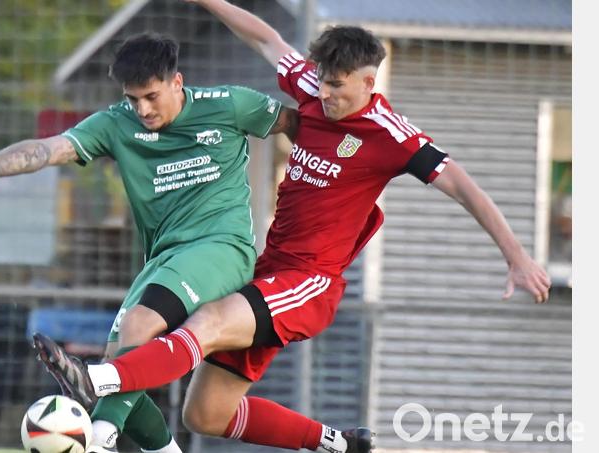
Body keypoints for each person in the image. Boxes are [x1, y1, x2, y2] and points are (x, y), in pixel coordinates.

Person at [36, 1, 555, 453]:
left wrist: (517, 255)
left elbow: (465, 186)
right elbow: (266, 38)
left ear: (369, 83)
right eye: (322, 81)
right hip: (269, 272)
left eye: (337, 86)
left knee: (209, 320)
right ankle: (337, 443)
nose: (323, 94)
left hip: (310, 282)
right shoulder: (312, 86)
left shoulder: (391, 136)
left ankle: (100, 381)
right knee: (206, 415)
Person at [0, 32, 299, 453]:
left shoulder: (229, 104)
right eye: (132, 98)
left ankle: (98, 442)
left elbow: (301, 126)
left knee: (138, 329)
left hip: (222, 249)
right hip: (163, 259)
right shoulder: (116, 124)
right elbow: (48, 150)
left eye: (151, 96)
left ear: (177, 82)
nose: (142, 109)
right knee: (121, 363)